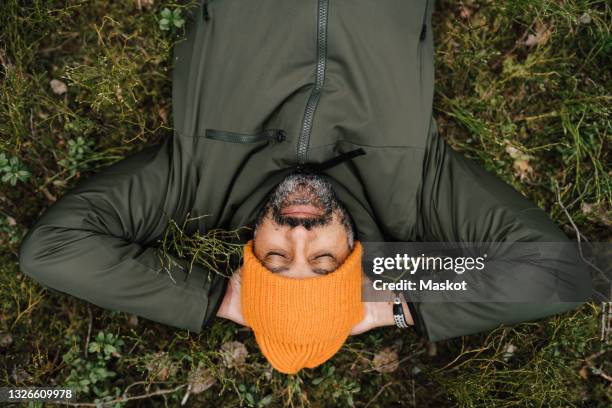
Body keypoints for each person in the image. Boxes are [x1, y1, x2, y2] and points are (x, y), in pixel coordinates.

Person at [18, 0, 590, 374]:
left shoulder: (192, 188)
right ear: (360, 262)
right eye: (321, 261)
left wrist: (212, 299)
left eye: (274, 257)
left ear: (245, 261)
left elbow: (53, 249)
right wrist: (404, 301)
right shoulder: (414, 193)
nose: (299, 232)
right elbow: (562, 272)